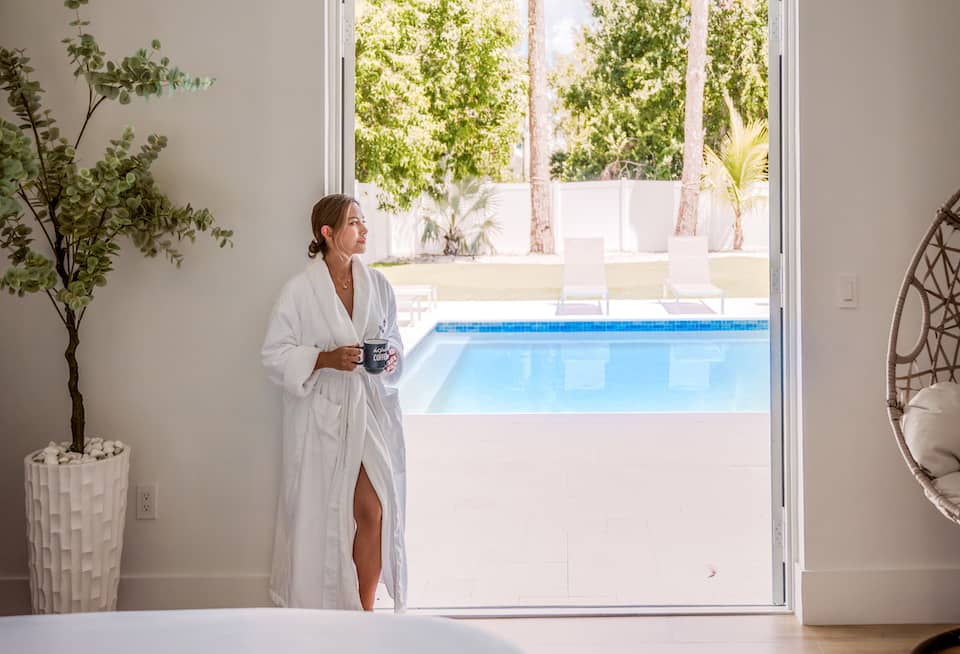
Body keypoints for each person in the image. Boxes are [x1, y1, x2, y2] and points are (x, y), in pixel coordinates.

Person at [261, 194, 407, 612]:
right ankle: (319, 607)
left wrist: (392, 355)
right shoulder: (300, 291)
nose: (364, 230)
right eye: (354, 223)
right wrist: (324, 359)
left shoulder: (377, 284)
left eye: (362, 222)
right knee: (321, 517)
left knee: (374, 509)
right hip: (323, 417)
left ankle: (364, 612)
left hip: (368, 412)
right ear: (328, 233)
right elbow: (274, 354)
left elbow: (392, 335)